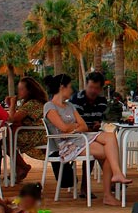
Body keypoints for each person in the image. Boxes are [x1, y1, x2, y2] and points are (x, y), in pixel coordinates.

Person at [43, 74, 131, 206]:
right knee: (108, 151)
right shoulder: (49, 106)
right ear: (62, 87)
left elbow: (83, 125)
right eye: (69, 87)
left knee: (110, 137)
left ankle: (116, 176)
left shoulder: (69, 106)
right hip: (66, 145)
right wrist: (75, 127)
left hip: (80, 138)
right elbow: (64, 128)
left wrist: (74, 128)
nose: (72, 90)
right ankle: (110, 188)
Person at [7, 76, 47, 183]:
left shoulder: (31, 104)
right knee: (6, 140)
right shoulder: (36, 102)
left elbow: (12, 119)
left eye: (21, 89)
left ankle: (23, 167)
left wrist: (12, 105)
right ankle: (19, 168)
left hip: (35, 134)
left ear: (29, 90)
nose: (18, 92)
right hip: (37, 133)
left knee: (5, 143)